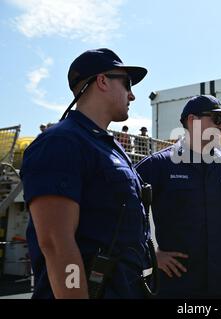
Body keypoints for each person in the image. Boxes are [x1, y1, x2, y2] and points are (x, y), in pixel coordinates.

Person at [20, 48, 152, 298]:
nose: (132, 95)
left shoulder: (110, 147)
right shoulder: (60, 142)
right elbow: (56, 243)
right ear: (102, 81)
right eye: (127, 84)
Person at [135, 95, 221, 299]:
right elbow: (123, 209)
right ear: (192, 120)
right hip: (175, 287)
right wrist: (149, 254)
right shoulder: (158, 165)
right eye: (217, 119)